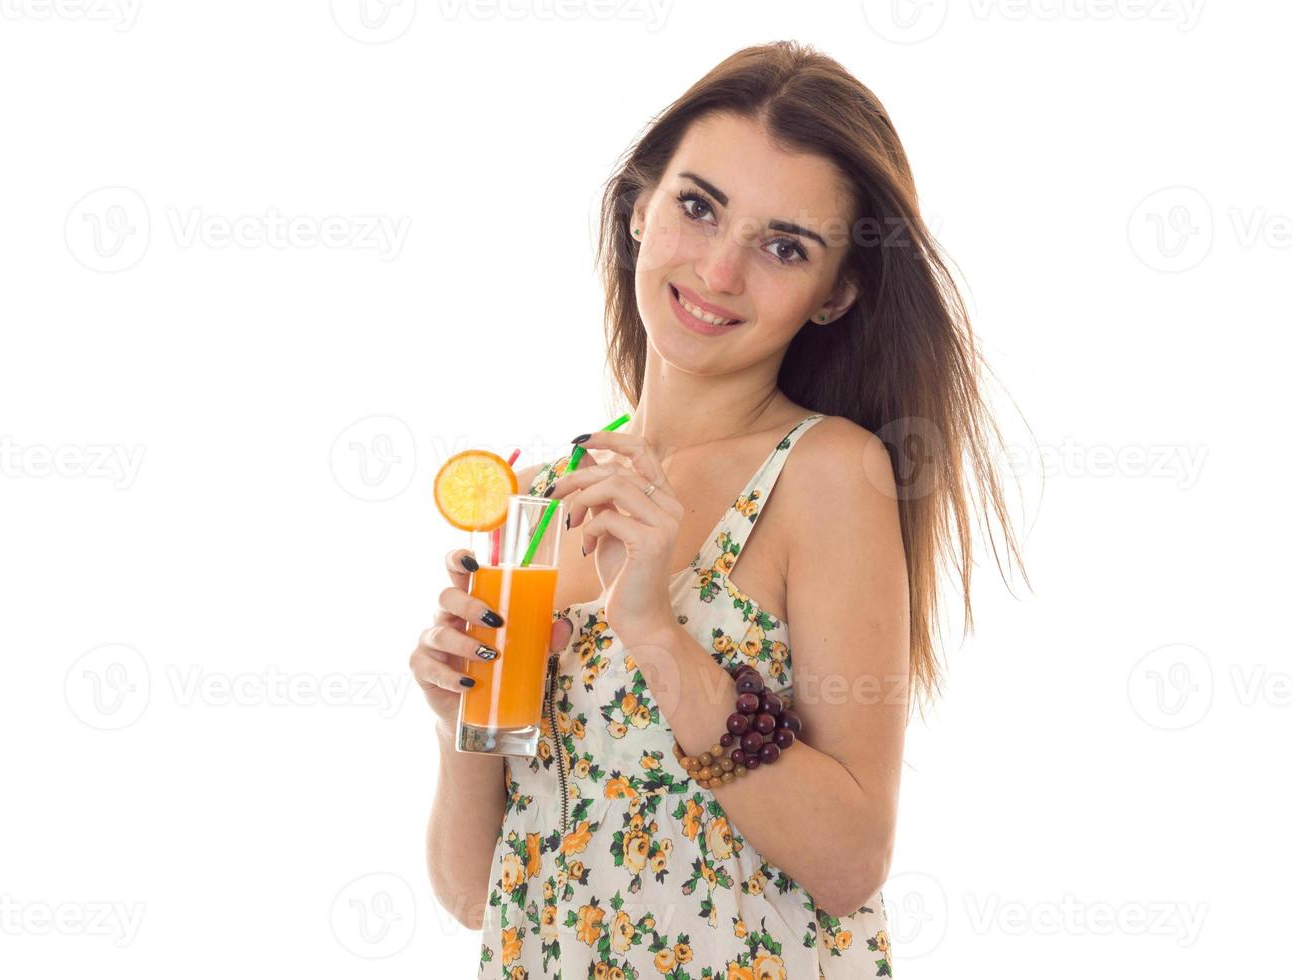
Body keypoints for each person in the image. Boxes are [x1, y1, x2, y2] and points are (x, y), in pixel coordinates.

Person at [411, 40, 1028, 978]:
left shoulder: (828, 474)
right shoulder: (542, 499)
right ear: (637, 209)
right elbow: (474, 895)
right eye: (698, 208)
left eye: (784, 246)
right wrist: (461, 722)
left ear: (836, 294)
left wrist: (657, 635)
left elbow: (849, 863)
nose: (719, 271)